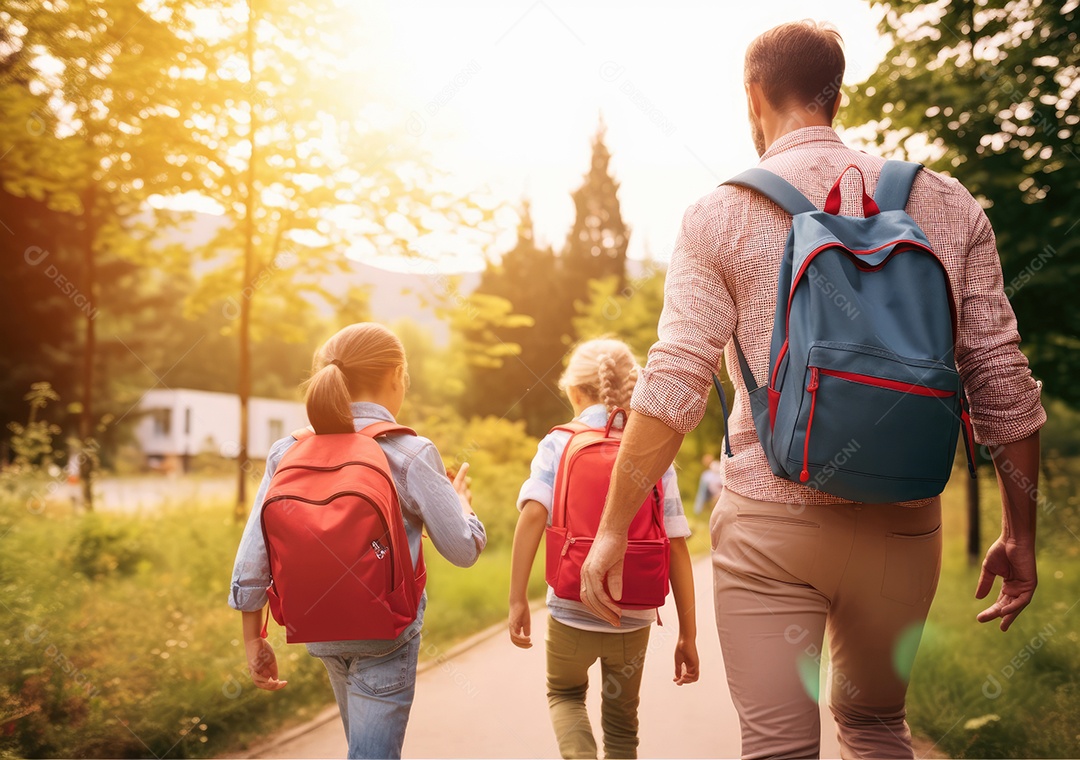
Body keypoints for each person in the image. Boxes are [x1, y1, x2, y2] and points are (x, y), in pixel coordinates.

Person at [579, 20, 1044, 760]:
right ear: (837, 93)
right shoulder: (948, 204)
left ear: (753, 96)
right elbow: (1001, 379)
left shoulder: (719, 214)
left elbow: (674, 384)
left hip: (772, 527)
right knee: (875, 727)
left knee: (778, 747)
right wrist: (1021, 533)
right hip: (904, 520)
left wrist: (610, 528)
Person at [228, 323, 487, 759]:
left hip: (319, 629)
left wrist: (253, 638)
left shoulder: (285, 452)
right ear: (397, 375)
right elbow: (462, 551)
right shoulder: (411, 451)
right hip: (387, 633)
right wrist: (463, 506)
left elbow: (254, 552)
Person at [507, 338, 699, 760]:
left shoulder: (559, 442)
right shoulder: (653, 451)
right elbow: (677, 544)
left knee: (565, 695)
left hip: (572, 606)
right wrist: (689, 632)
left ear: (575, 392)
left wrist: (517, 598)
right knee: (622, 726)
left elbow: (532, 517)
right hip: (633, 618)